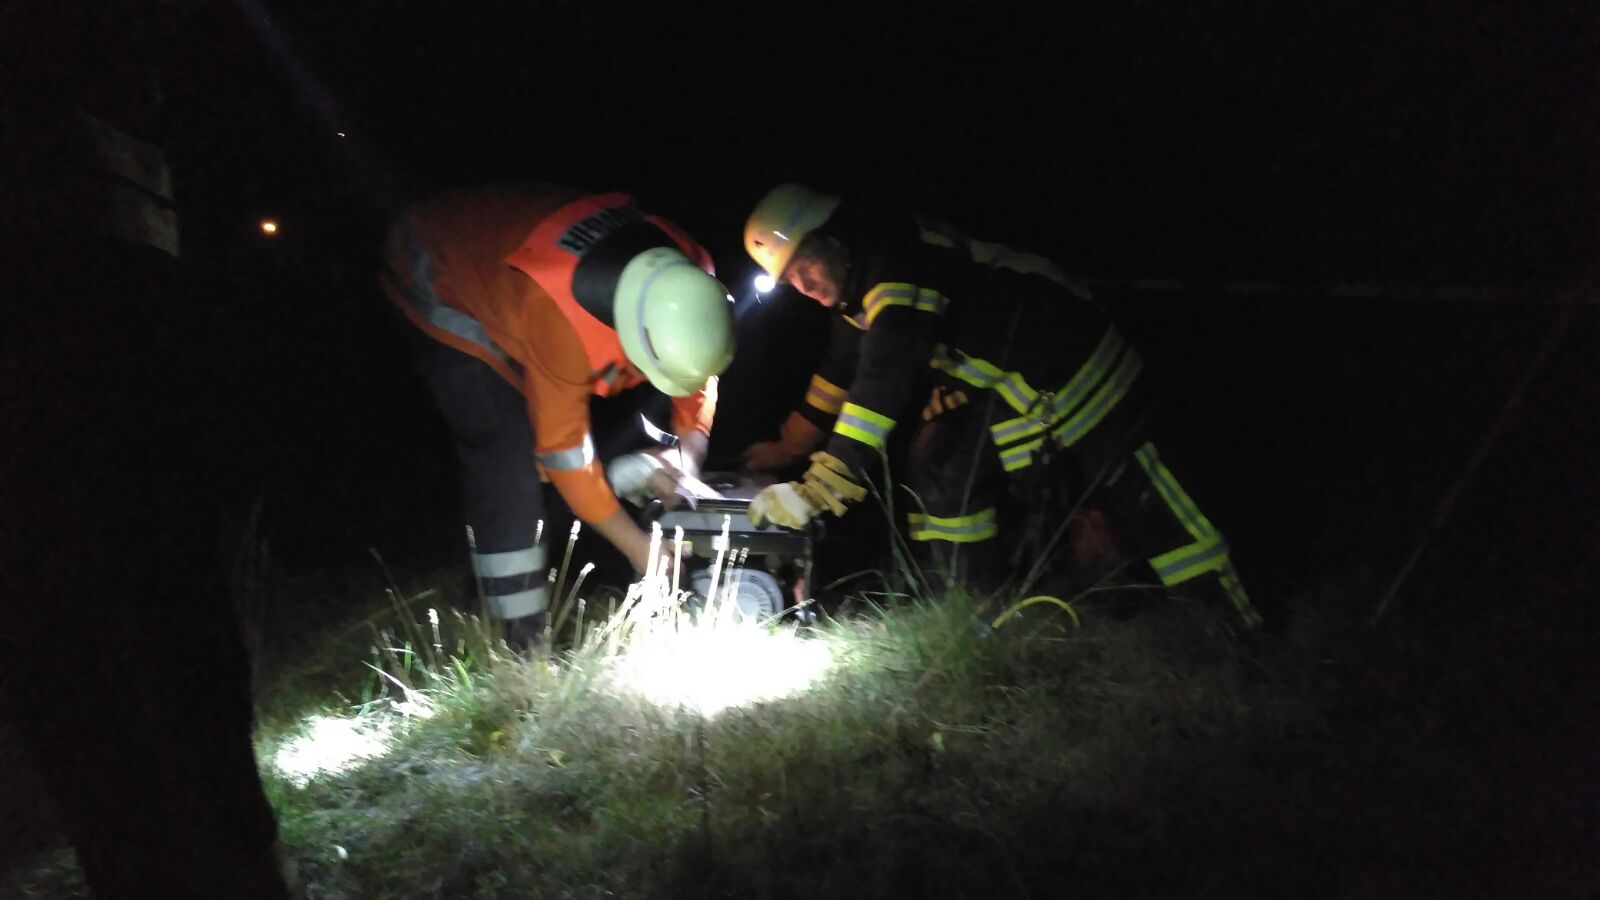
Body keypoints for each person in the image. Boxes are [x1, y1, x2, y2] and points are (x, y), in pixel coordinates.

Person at [0, 2, 297, 896]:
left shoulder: (108, 114)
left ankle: (218, 859)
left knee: (146, 640)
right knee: (114, 643)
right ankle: (202, 863)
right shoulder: (63, 100)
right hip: (86, 332)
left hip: (128, 324)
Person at [742, 184, 1260, 628]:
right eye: (790, 281)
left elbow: (884, 378)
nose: (804, 286)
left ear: (833, 238)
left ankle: (1236, 636)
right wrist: (787, 447)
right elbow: (839, 374)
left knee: (1153, 511)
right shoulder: (856, 290)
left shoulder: (895, 259)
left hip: (1075, 368)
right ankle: (976, 617)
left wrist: (823, 487)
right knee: (945, 465)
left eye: (805, 267)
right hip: (1015, 392)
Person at [379, 184, 737, 649]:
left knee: (556, 436)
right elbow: (565, 451)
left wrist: (688, 458)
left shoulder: (691, 281)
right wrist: (639, 549)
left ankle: (602, 494)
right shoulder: (561, 320)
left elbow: (697, 375)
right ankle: (518, 646)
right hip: (436, 267)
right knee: (506, 449)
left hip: (512, 263)